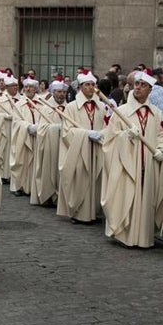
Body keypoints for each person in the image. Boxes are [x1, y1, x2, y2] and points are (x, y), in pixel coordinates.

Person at [100, 69, 163, 248]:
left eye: (143, 85)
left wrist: (162, 149)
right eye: (137, 84)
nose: (139, 88)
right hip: (128, 166)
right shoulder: (121, 112)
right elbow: (108, 140)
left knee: (146, 200)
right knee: (128, 198)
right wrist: (126, 136)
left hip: (148, 165)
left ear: (150, 89)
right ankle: (126, 235)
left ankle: (143, 238)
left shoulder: (156, 113)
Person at [57, 69, 107, 224]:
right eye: (87, 85)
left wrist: (102, 133)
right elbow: (67, 132)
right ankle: (78, 212)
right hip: (79, 150)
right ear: (80, 87)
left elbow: (108, 125)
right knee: (80, 179)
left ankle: (94, 212)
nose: (91, 88)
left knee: (95, 180)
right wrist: (86, 134)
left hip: (96, 149)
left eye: (93, 84)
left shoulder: (102, 107)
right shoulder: (71, 107)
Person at [29, 79, 69, 207]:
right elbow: (41, 130)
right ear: (53, 92)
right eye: (58, 91)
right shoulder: (46, 109)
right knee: (49, 169)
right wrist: (56, 128)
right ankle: (49, 196)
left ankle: (61, 197)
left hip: (65, 146)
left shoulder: (70, 108)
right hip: (50, 148)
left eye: (63, 92)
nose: (61, 94)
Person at [9, 78, 41, 196]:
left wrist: (39, 126)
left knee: (36, 161)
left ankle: (33, 187)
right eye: (26, 87)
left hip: (37, 136)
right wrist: (27, 127)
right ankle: (19, 186)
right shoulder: (18, 105)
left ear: (35, 89)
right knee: (21, 160)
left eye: (31, 87)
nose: (28, 89)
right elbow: (16, 122)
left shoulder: (42, 103)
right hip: (23, 137)